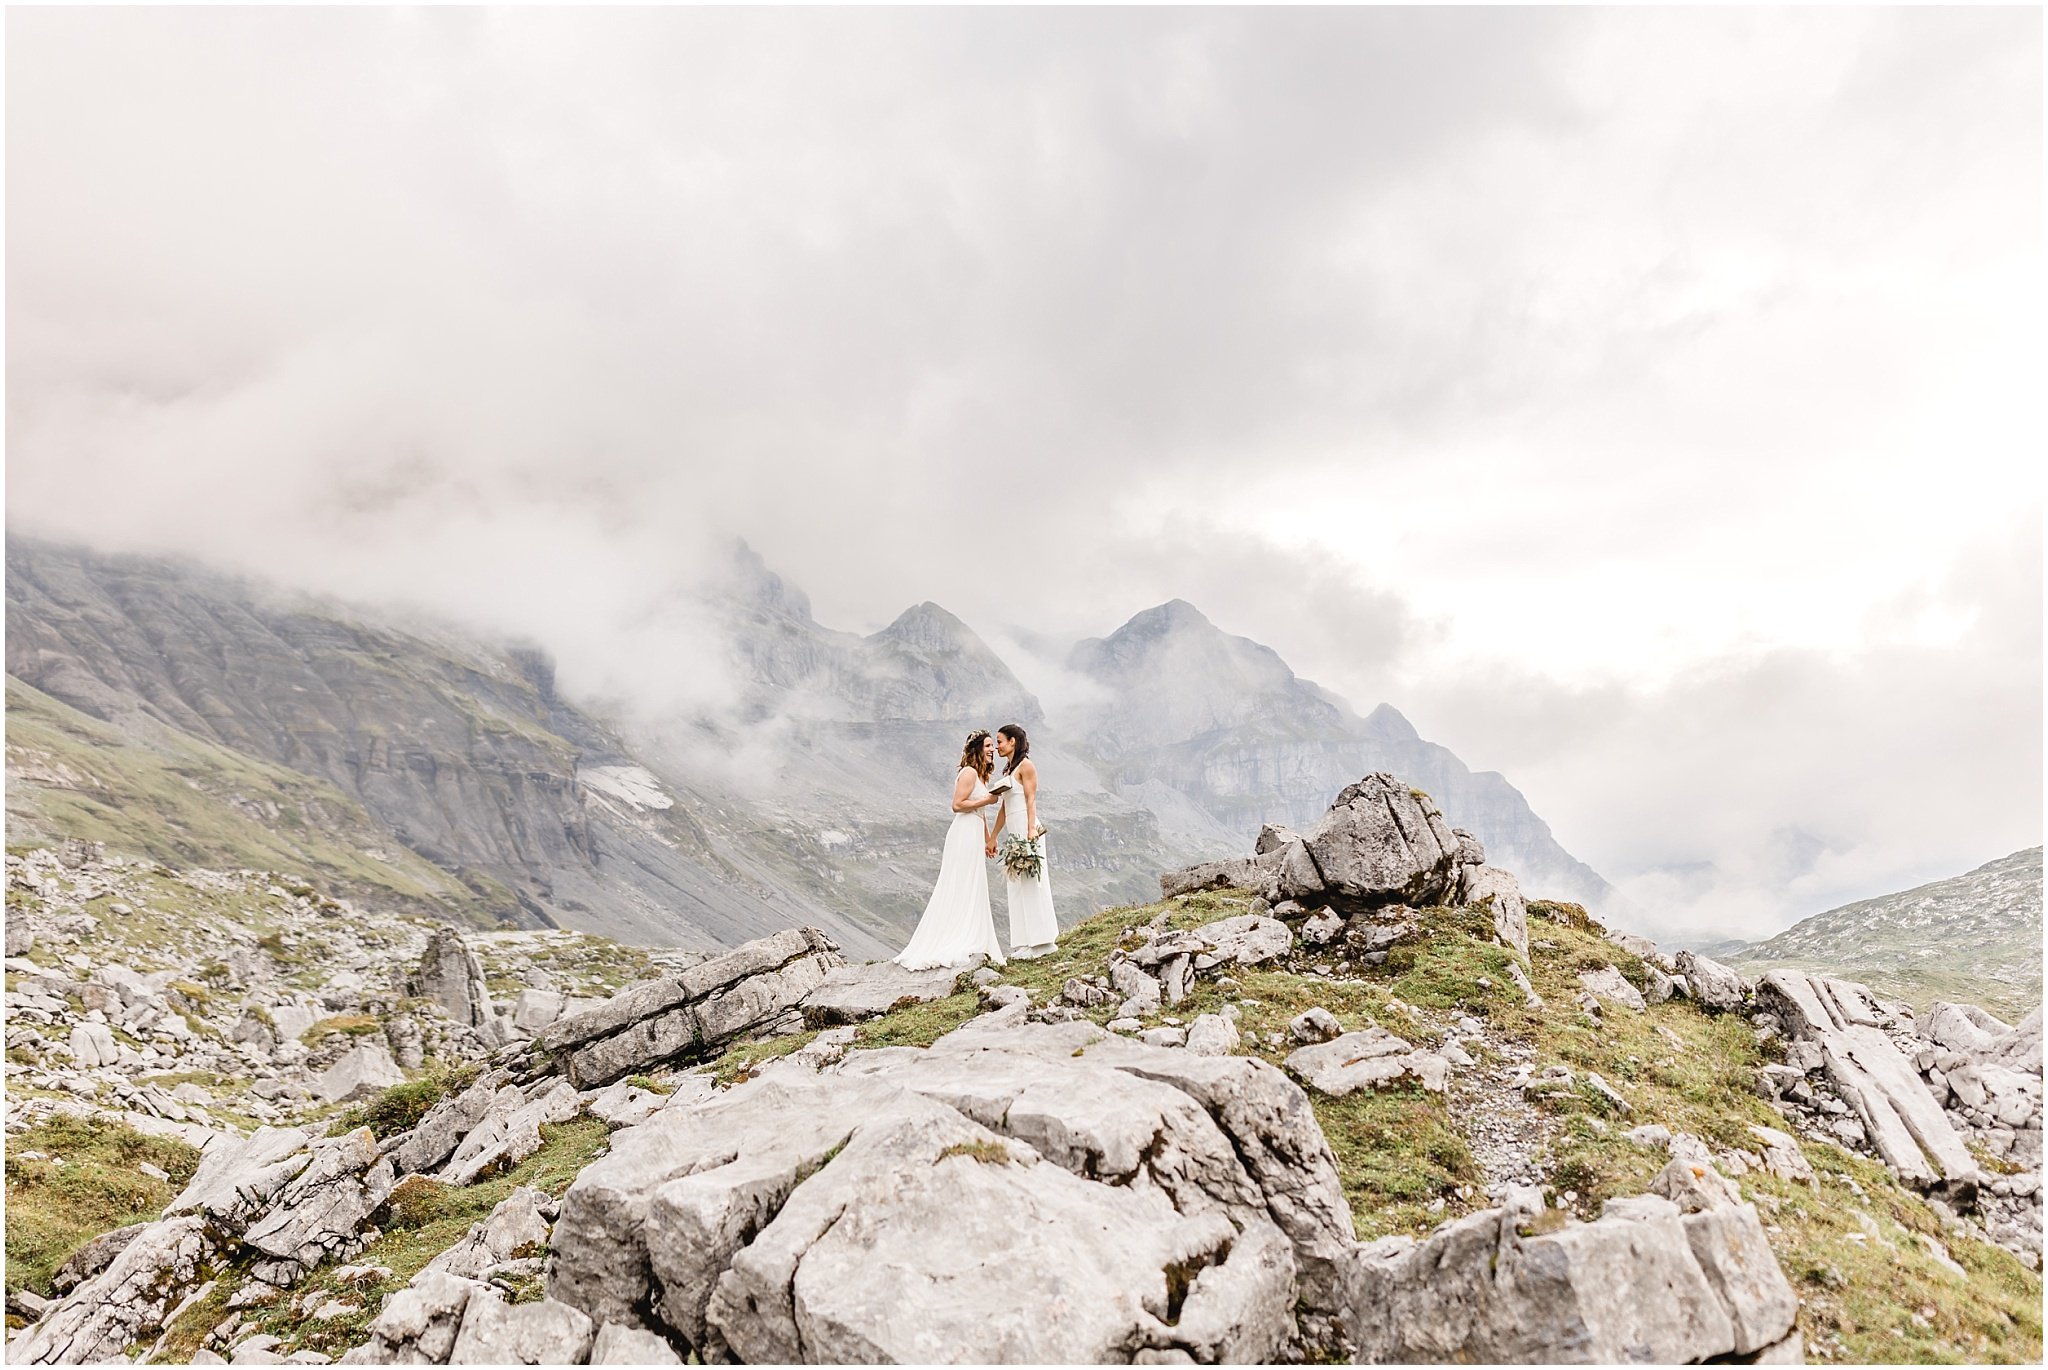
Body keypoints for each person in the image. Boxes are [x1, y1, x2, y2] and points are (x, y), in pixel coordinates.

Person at [894, 730, 1007, 969]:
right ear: (977, 749)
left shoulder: (981, 776)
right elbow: (957, 805)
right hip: (963, 833)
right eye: (988, 746)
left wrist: (988, 839)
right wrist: (987, 800)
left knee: (972, 884)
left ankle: (969, 934)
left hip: (975, 831)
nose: (992, 750)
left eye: (992, 746)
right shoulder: (968, 772)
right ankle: (955, 937)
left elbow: (981, 814)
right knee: (960, 882)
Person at [990, 722, 1058, 959]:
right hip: (1014, 831)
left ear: (1012, 742)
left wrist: (1030, 829)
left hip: (1027, 829)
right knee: (1016, 885)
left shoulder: (1026, 766)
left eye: (999, 741)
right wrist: (993, 835)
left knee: (1033, 882)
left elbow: (1031, 799)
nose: (996, 746)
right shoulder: (1009, 769)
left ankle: (1043, 942)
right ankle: (1026, 942)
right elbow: (1004, 807)